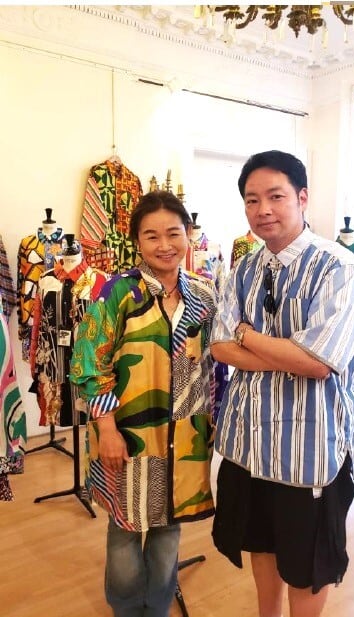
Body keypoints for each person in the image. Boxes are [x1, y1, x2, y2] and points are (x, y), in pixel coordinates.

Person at [209, 151, 354, 617]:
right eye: (252, 200)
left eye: (275, 197)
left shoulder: (337, 267)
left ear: (302, 198)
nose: (263, 210)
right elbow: (219, 347)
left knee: (308, 562)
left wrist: (247, 335)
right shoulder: (243, 269)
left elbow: (318, 363)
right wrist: (285, 354)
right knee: (261, 542)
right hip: (248, 441)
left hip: (309, 445)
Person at [72, 191, 221, 616]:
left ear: (188, 234)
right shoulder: (117, 292)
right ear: (137, 240)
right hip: (128, 436)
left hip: (185, 438)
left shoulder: (204, 294)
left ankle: (157, 607)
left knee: (169, 525)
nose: (164, 245)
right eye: (152, 235)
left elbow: (215, 366)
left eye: (173, 233)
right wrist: (107, 430)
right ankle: (125, 608)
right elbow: (89, 364)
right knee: (125, 529)